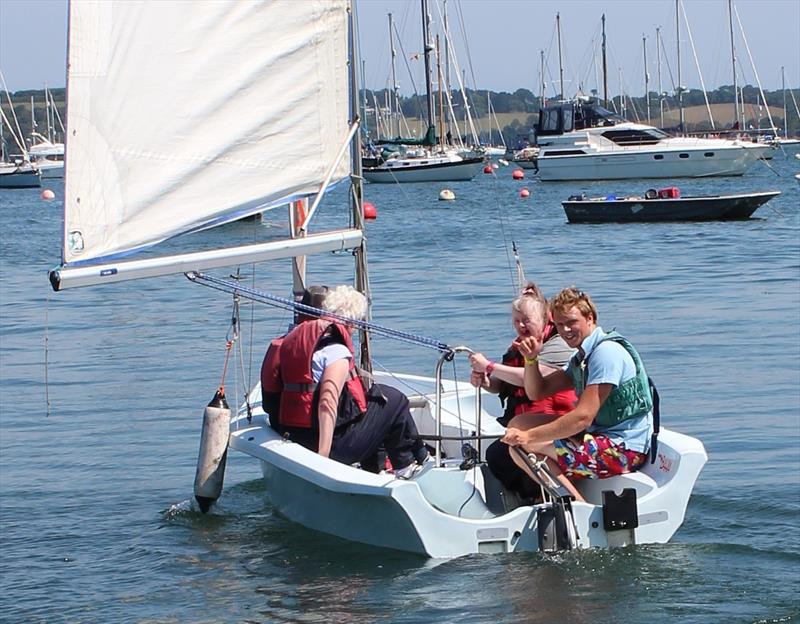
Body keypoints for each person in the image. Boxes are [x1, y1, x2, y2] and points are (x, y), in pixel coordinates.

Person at [502, 287, 654, 502]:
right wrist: (531, 359)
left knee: (523, 446)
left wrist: (529, 437)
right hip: (601, 436)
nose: (565, 330)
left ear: (589, 318)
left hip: (624, 450)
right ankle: (565, 495)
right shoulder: (581, 357)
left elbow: (583, 417)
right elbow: (538, 392)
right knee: (520, 423)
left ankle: (574, 504)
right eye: (560, 324)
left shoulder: (605, 354)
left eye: (571, 322)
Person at [263, 284, 428, 477]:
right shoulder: (335, 351)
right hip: (328, 447)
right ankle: (405, 465)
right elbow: (327, 402)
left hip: (295, 436)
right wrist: (321, 458)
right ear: (352, 321)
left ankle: (375, 468)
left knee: (375, 397)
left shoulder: (295, 342)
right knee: (395, 399)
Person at [468, 283, 577, 500]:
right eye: (517, 321)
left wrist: (488, 366)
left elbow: (531, 377)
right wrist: (484, 380)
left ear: (545, 319)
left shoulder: (558, 345)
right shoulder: (518, 347)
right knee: (497, 454)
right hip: (522, 423)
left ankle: (550, 496)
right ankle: (531, 496)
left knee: (501, 453)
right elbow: (502, 384)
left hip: (559, 424)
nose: (521, 326)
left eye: (527, 320)